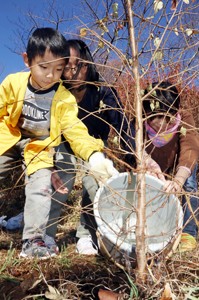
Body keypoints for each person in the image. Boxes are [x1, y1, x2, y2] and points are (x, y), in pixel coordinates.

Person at [0, 28, 118, 259]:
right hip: (8, 137)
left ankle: (34, 240)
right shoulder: (14, 83)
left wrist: (94, 156)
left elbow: (74, 128)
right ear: (27, 60)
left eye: (58, 69)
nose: (49, 76)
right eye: (43, 67)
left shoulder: (63, 97)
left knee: (41, 184)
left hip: (38, 146)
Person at [45, 39, 137, 255]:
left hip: (95, 144)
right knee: (61, 178)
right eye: (66, 67)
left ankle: (86, 234)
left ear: (87, 64)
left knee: (94, 181)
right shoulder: (56, 93)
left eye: (78, 65)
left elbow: (122, 126)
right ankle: (45, 233)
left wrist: (135, 157)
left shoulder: (104, 92)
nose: (72, 72)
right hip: (64, 143)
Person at [142, 81, 199, 252]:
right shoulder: (138, 120)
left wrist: (178, 180)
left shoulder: (185, 118)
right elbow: (131, 147)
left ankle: (188, 233)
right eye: (155, 117)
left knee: (189, 181)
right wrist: (146, 162)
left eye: (167, 117)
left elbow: (191, 148)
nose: (160, 124)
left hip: (177, 170)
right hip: (151, 172)